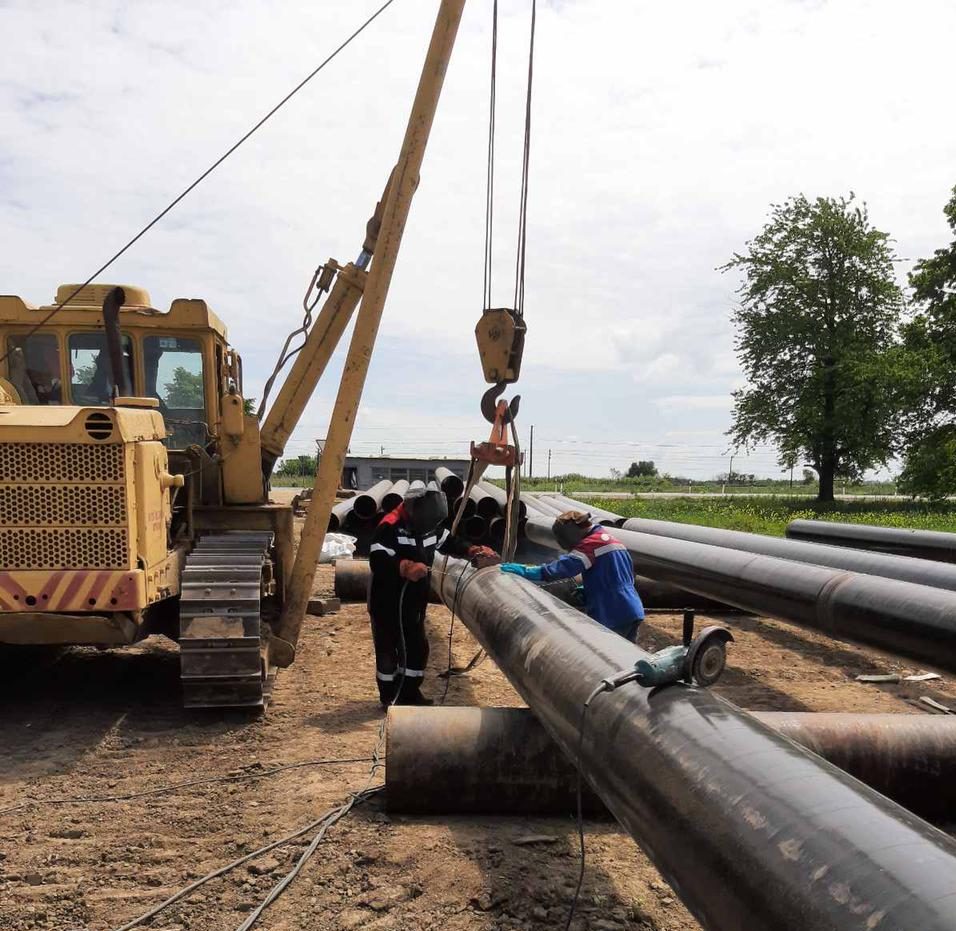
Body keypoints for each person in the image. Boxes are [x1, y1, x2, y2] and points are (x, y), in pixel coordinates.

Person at [368, 482, 498, 707]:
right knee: (389, 649)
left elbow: (449, 542)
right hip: (388, 599)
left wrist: (472, 550)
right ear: (412, 510)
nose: (430, 527)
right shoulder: (390, 526)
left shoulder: (429, 525)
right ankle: (389, 697)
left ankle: (409, 693)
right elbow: (378, 560)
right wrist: (405, 567)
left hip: (414, 599)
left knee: (416, 647)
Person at [499, 510, 645, 642]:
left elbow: (555, 571)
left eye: (562, 537)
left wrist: (520, 570)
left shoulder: (590, 545)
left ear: (571, 532)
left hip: (612, 611)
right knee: (626, 661)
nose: (563, 543)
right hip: (631, 607)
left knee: (608, 660)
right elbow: (624, 576)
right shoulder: (611, 540)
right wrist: (591, 589)